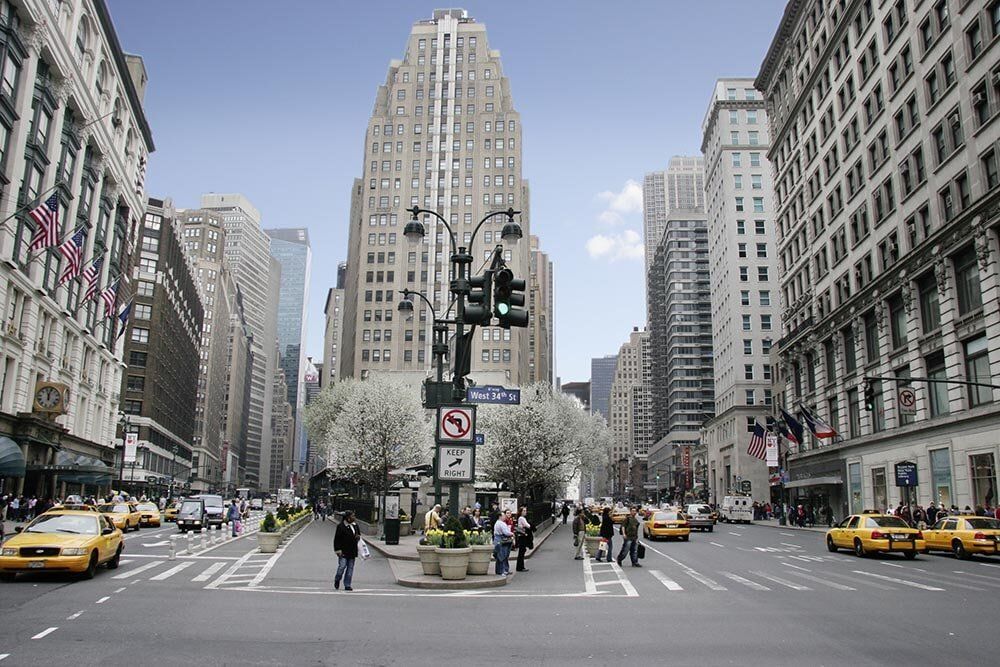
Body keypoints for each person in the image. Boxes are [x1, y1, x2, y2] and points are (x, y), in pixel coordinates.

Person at [334, 510, 361, 591]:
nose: (354, 517)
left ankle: (347, 585)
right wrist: (338, 550)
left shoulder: (355, 525)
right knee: (341, 567)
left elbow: (358, 535)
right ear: (348, 518)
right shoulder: (341, 526)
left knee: (350, 569)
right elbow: (337, 539)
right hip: (343, 551)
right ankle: (337, 579)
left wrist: (358, 537)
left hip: (352, 551)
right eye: (353, 516)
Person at [493, 508, 514, 576]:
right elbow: (506, 532)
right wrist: (512, 534)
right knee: (502, 555)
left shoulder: (497, 522)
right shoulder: (501, 523)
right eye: (503, 515)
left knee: (499, 556)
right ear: (500, 516)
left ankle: (499, 570)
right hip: (502, 539)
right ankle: (502, 570)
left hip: (497, 539)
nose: (505, 516)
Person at [515, 507, 533, 572]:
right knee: (521, 552)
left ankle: (520, 566)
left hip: (522, 535)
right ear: (521, 512)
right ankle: (520, 567)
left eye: (526, 510)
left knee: (522, 551)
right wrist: (530, 525)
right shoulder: (521, 518)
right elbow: (527, 525)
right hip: (522, 536)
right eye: (524, 511)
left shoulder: (521, 518)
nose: (525, 512)